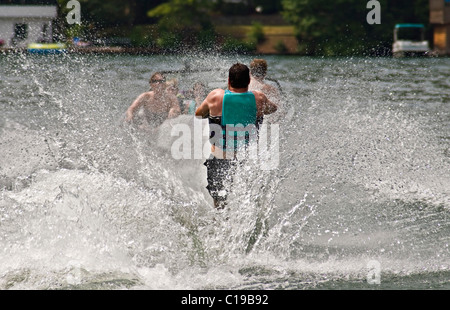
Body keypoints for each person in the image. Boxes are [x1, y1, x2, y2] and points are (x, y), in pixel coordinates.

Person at [195, 63, 278, 209]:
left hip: (220, 158)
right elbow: (273, 109)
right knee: (246, 200)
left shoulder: (216, 96)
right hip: (247, 159)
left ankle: (221, 222)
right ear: (248, 81)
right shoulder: (258, 97)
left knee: (220, 201)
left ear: (228, 80)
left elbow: (199, 114)